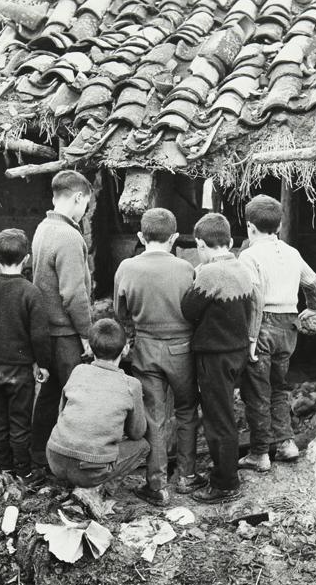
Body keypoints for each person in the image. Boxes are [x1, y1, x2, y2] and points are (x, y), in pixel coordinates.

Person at [114, 208, 201, 508]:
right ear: (175, 238)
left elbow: (120, 313)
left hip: (146, 348)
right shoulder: (187, 268)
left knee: (154, 416)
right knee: (188, 410)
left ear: (140, 236)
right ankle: (188, 476)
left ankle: (157, 485)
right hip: (183, 350)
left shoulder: (126, 267)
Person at [238, 194, 316, 472]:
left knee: (257, 391)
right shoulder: (292, 252)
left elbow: (254, 299)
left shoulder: (249, 256)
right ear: (279, 224)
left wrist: (251, 338)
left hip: (262, 327)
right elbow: (313, 281)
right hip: (288, 327)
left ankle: (260, 454)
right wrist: (313, 308)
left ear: (250, 227)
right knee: (279, 387)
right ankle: (287, 444)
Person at [181, 213, 262, 504]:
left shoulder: (208, 273)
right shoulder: (241, 266)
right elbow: (256, 302)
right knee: (226, 414)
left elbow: (188, 309)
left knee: (218, 420)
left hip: (214, 356)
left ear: (201, 244)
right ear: (229, 241)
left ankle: (225, 484)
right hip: (237, 352)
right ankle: (225, 473)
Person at [0, 229, 51, 481]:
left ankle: (3, 466)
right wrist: (44, 364)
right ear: (26, 259)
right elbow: (39, 335)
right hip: (20, 372)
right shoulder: (31, 292)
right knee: (19, 423)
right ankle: (23, 471)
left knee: (0, 422)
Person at [30, 170, 93, 470]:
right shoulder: (69, 236)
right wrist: (86, 333)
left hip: (47, 330)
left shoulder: (43, 228)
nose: (85, 212)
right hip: (66, 333)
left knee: (50, 394)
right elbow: (73, 293)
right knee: (77, 398)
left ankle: (39, 456)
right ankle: (70, 463)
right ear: (78, 198)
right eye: (86, 206)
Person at [46, 318, 149, 492]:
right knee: (143, 446)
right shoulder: (132, 385)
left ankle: (74, 484)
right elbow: (137, 432)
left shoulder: (78, 370)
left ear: (89, 348)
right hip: (90, 471)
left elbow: (61, 413)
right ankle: (100, 489)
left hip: (55, 459)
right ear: (125, 349)